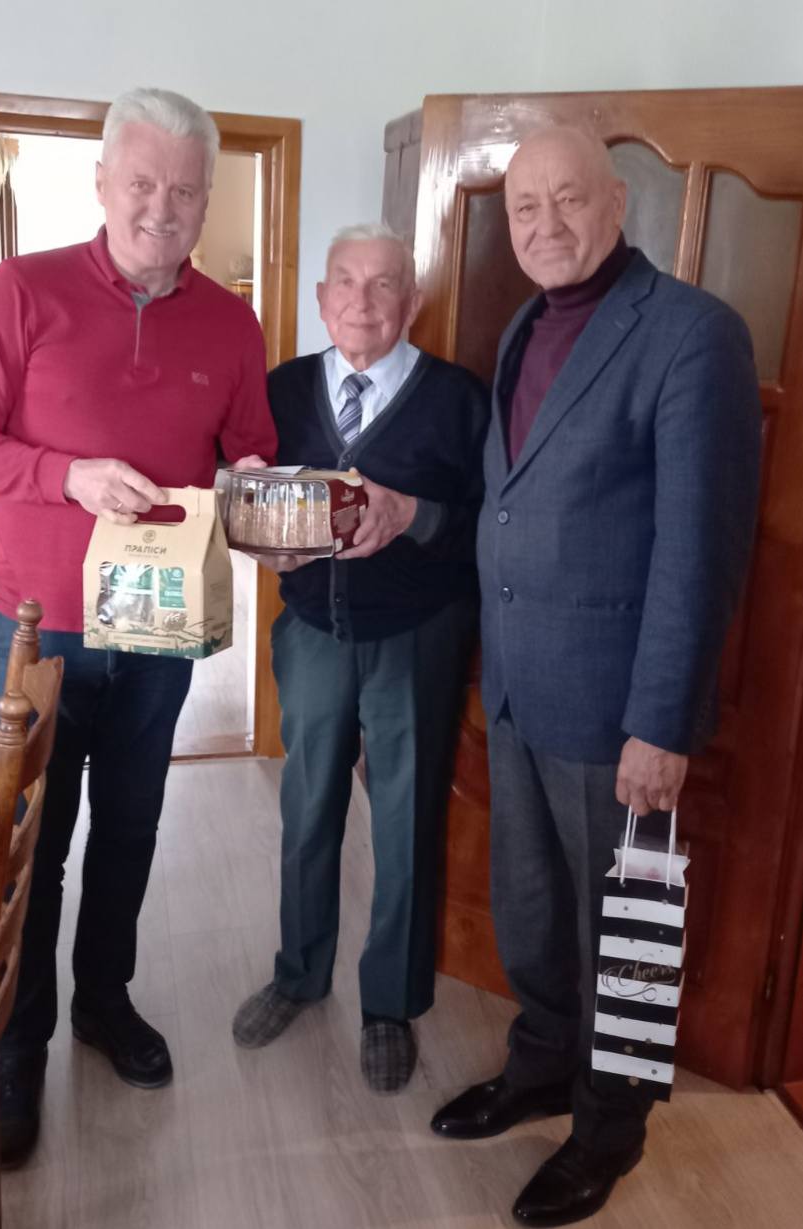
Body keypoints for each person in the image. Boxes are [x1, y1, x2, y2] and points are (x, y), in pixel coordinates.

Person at [0, 86, 276, 1167]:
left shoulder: (230, 321)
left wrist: (267, 497)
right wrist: (64, 474)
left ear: (206, 197)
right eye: (141, 183)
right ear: (102, 183)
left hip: (158, 629)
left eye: (184, 190)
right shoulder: (21, 291)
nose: (161, 207)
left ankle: (104, 1001)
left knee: (131, 826)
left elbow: (248, 449)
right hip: (37, 636)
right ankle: (16, 1042)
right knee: (29, 846)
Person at [429, 127, 762, 1225]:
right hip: (518, 691)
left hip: (621, 711)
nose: (544, 225)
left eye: (567, 200)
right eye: (524, 208)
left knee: (628, 927)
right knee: (530, 912)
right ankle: (539, 1065)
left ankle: (610, 1125)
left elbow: (698, 550)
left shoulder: (692, 334)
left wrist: (661, 724)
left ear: (618, 202)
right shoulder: (524, 325)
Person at [231, 223, 489, 1092]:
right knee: (306, 807)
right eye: (345, 281)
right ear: (320, 298)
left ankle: (390, 1004)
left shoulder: (457, 399)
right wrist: (262, 538)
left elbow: (491, 525)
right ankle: (299, 973)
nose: (362, 302)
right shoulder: (280, 389)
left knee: (407, 820)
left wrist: (411, 513)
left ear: (411, 302)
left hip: (416, 636)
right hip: (311, 630)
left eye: (383, 285)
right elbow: (248, 497)